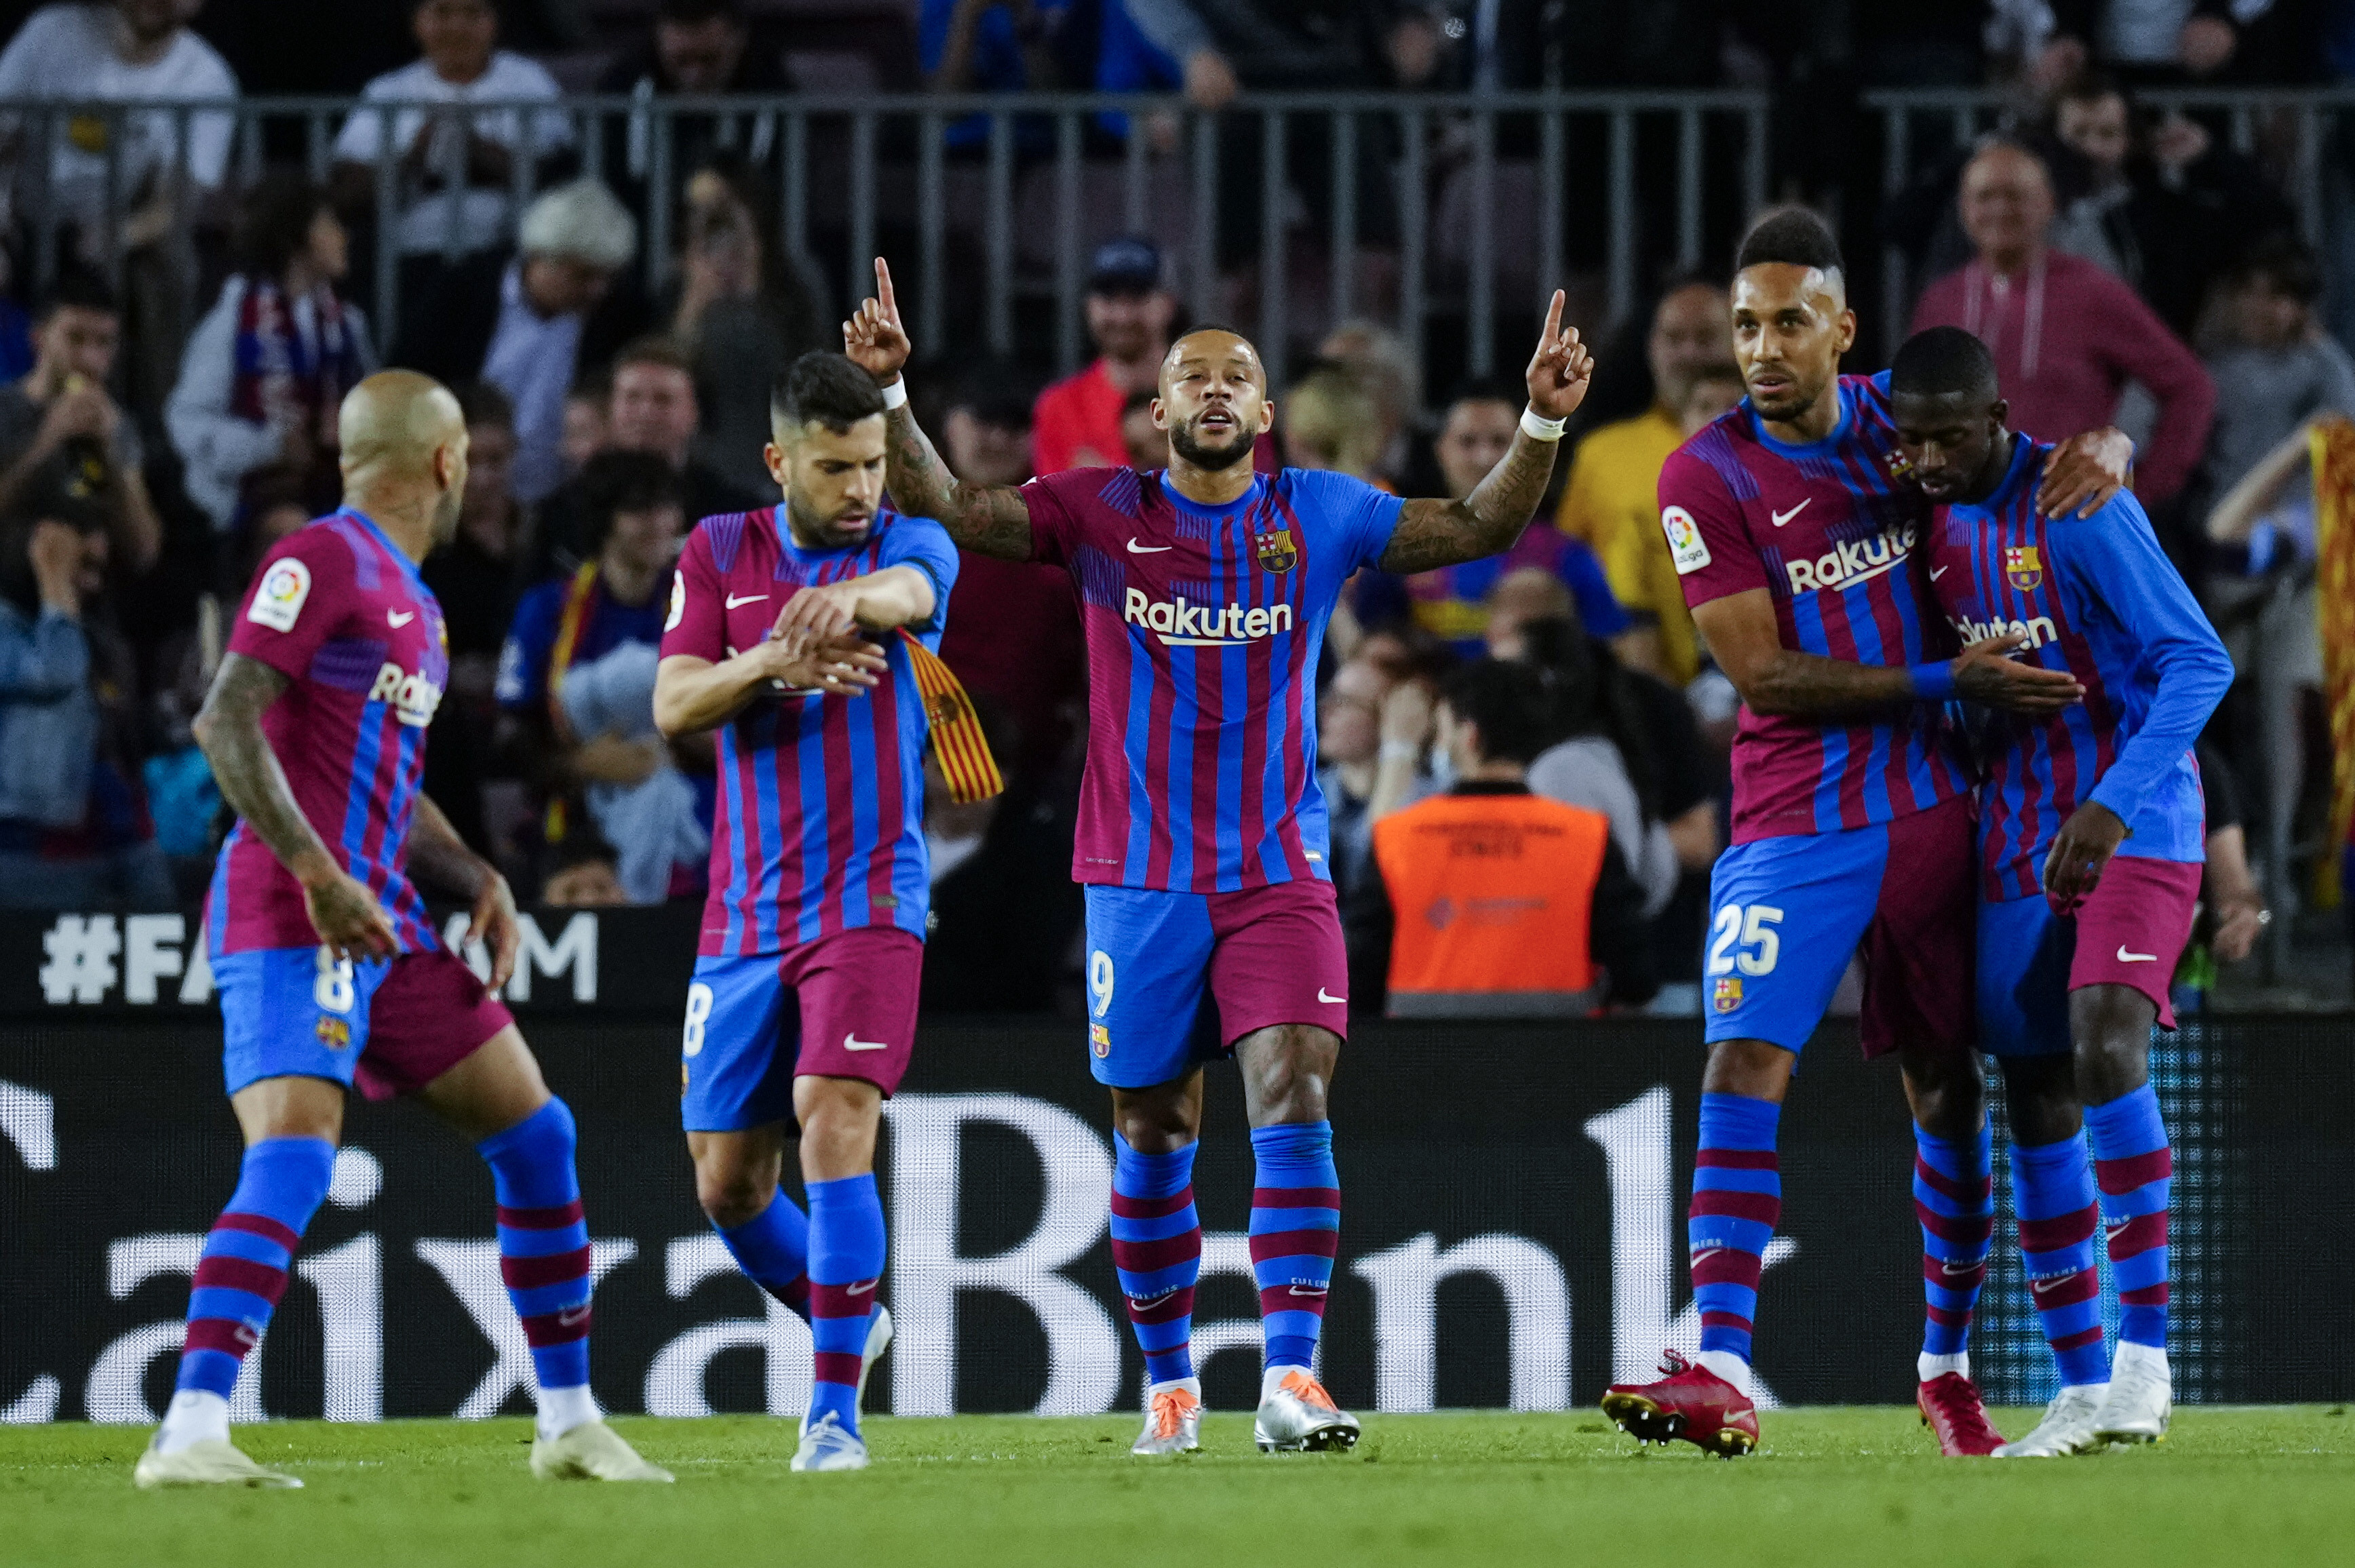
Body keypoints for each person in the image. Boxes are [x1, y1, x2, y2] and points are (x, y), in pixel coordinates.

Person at [846, 253, 1596, 1457]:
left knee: (1294, 1089)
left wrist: (1544, 419)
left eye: (1232, 377)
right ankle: (1169, 1386)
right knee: (1152, 1125)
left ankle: (1293, 1375)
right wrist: (892, 402)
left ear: (1263, 411)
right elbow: (958, 510)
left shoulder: (1322, 511)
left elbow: (1475, 522)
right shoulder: (1101, 513)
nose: (1210, 392)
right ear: (1157, 413)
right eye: (1189, 378)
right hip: (1137, 879)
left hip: (1277, 872)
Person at [1597, 209, 2134, 1459]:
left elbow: (2033, 460)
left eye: (1789, 321)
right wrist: (1954, 683)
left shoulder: (1914, 420)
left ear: (1843, 327)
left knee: (1962, 1089)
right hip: (1796, 819)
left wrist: (2100, 443)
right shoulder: (1707, 474)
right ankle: (1719, 1359)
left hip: (1942, 813)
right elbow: (1763, 672)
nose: (1762, 347)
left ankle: (1972, 1370)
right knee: (1743, 1056)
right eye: (1744, 325)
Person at [136, 371, 665, 1487]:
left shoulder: (411, 602)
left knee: (538, 1133)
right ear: (444, 460)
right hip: (296, 910)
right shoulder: (318, 559)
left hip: (387, 920)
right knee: (290, 1154)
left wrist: (471, 867)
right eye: (469, 449)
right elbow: (224, 720)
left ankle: (567, 1419)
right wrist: (319, 875)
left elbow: (386, 775)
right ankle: (188, 1429)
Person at [1892, 324, 2232, 1455]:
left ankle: (2145, 1360)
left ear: (1999, 421)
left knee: (2102, 1048)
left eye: (1952, 436)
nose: (1931, 457)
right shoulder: (1918, 510)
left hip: (2133, 816)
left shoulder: (2078, 501)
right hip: (2014, 832)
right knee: (2032, 1086)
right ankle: (2079, 1384)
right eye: (1914, 439)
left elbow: (2198, 659)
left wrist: (2112, 802)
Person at [653, 351, 971, 1473]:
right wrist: (774, 663)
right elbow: (674, 700)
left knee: (834, 1110)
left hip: (869, 897)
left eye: (873, 463)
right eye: (835, 466)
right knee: (726, 1181)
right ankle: (852, 1313)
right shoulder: (718, 551)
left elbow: (916, 591)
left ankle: (832, 1414)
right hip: (743, 915)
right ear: (780, 459)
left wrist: (851, 601)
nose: (861, 488)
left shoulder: (903, 538)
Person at [1909, 140, 2214, 509]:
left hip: (2063, 525)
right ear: (1963, 209)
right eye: (1984, 196)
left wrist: (2142, 492)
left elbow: (2191, 388)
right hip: (1964, 528)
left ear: (2049, 205)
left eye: (2016, 196)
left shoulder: (2091, 292)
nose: (2000, 209)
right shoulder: (1942, 300)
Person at [1346, 657, 1654, 1018]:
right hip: (1563, 1064)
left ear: (1470, 736)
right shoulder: (1588, 837)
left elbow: (1359, 976)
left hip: (1421, 1063)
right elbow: (1637, 978)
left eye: (1443, 729)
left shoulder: (1396, 838)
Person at [0, 1, 238, 407]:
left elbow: (179, 200)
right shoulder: (52, 33)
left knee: (170, 263)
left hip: (115, 228)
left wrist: (119, 234)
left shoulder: (206, 76)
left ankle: (156, 429)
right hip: (25, 218)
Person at [393, 179, 645, 507]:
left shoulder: (615, 316)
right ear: (540, 257)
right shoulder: (462, 293)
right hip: (456, 495)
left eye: (607, 278)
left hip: (563, 500)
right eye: (583, 275)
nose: (598, 290)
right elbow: (406, 382)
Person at [497, 451, 690, 872]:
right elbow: (510, 741)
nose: (660, 523)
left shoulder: (699, 606)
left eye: (667, 507)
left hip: (689, 831)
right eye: (640, 509)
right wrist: (579, 764)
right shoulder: (548, 610)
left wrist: (671, 752)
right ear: (605, 519)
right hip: (574, 837)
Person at [1357, 382, 1629, 660]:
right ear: (1441, 452)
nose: (1485, 458)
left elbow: (1612, 657)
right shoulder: (1398, 553)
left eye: (1501, 442)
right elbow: (1369, 655)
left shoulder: (1569, 557)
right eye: (1468, 442)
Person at [168, 174, 374, 532]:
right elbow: (186, 421)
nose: (344, 236)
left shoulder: (348, 324)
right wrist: (270, 446)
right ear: (296, 238)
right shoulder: (234, 320)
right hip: (249, 504)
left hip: (334, 493)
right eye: (329, 225)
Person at [1555, 275, 1729, 684]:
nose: (1689, 354)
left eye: (1706, 338)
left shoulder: (1779, 444)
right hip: (1630, 685)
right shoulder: (1601, 452)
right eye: (1673, 338)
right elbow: (1569, 566)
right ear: (1650, 347)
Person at [0, 511, 170, 907]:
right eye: (80, 566)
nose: (94, 581)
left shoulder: (93, 629)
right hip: (26, 847)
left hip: (115, 834)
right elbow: (55, 672)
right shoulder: (17, 624)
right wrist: (54, 579)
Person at [2048, 72, 2293, 338]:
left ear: (2130, 140)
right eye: (2078, 134)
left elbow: (2269, 221)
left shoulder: (2164, 214)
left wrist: (2209, 160)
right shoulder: (2019, 209)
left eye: (2108, 134)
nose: (2092, 148)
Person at [331, 0, 572, 262]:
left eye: (472, 13)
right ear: (418, 23)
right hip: (408, 259)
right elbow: (347, 193)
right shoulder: (387, 90)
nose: (457, 28)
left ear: (494, 23)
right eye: (442, 13)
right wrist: (415, 156)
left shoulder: (529, 82)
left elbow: (560, 176)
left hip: (509, 255)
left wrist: (477, 150)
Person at [533, 336, 759, 575]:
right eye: (633, 397)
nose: (646, 413)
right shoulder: (563, 513)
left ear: (694, 413)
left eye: (663, 400)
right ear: (611, 409)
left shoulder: (735, 517)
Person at [669, 159, 824, 499]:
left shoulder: (793, 286)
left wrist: (752, 283)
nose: (711, 222)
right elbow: (668, 369)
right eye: (698, 210)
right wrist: (694, 304)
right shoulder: (675, 286)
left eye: (722, 208)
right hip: (704, 465)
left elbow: (805, 373)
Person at [0, 270, 161, 576]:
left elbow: (144, 551)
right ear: (39, 339)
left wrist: (109, 455)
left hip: (91, 606)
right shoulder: (6, 410)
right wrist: (48, 441)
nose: (90, 358)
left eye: (104, 343)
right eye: (75, 339)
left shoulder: (115, 423)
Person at [420, 380, 524, 856]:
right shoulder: (429, 555)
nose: (482, 477)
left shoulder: (539, 540)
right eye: (471, 461)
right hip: (456, 727)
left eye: (496, 461)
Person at [593, 0, 795, 219]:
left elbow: (778, 192)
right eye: (680, 60)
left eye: (710, 60)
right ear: (659, 43)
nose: (695, 75)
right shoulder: (622, 89)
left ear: (739, 42)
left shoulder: (772, 90)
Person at [1031, 237, 1176, 475]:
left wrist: (1106, 486)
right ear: (1089, 306)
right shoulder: (1058, 408)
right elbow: (1057, 509)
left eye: (1137, 298)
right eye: (1109, 299)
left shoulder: (1205, 400)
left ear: (1169, 305)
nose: (1122, 315)